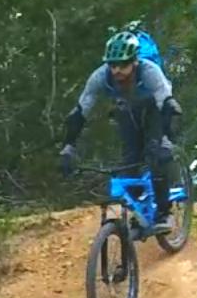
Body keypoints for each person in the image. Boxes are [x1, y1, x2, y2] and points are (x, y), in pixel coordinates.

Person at [58, 28, 182, 225]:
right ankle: (141, 209)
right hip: (127, 109)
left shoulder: (149, 71)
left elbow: (166, 104)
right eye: (112, 65)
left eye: (123, 65)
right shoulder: (100, 76)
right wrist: (68, 147)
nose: (116, 71)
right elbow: (80, 112)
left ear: (134, 61)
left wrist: (166, 140)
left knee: (155, 153)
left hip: (154, 109)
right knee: (129, 162)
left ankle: (164, 213)